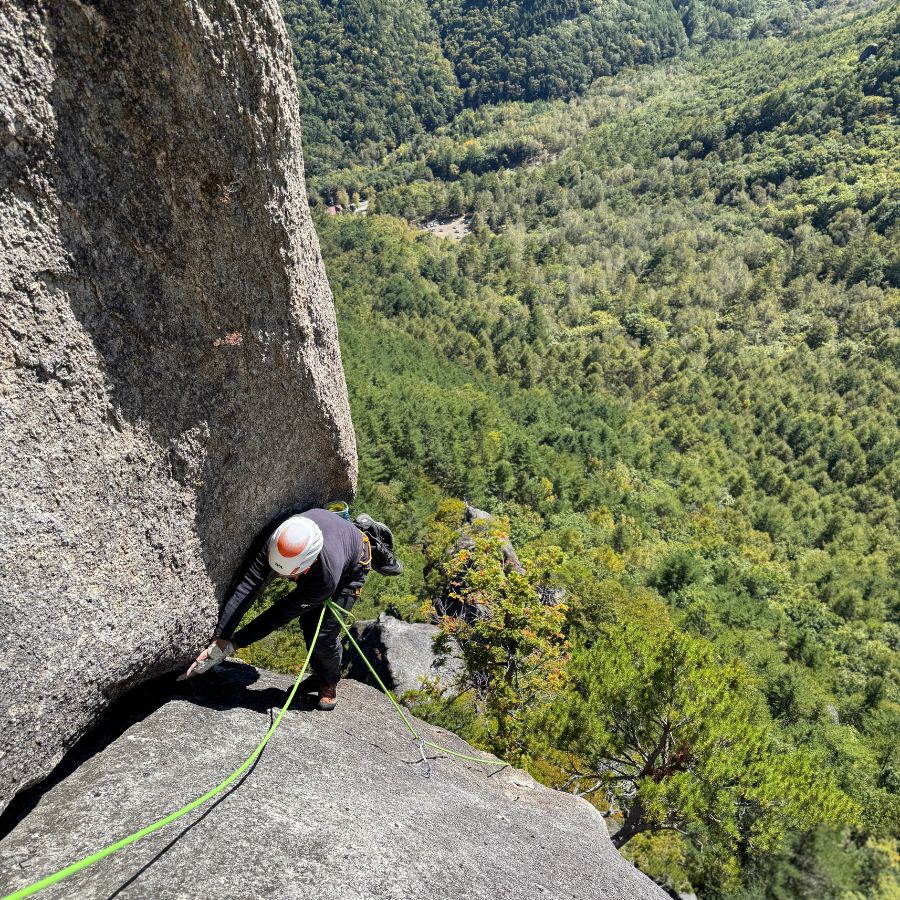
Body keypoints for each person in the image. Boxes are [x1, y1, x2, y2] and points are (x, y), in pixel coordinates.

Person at [180, 507, 400, 710]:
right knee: (309, 622)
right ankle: (321, 672)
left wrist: (233, 645)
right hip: (330, 536)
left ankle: (328, 681)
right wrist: (221, 638)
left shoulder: (326, 577)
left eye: (290, 574)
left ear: (309, 565)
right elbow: (248, 586)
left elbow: (280, 614)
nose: (282, 577)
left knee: (322, 634)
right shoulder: (280, 539)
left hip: (352, 566)